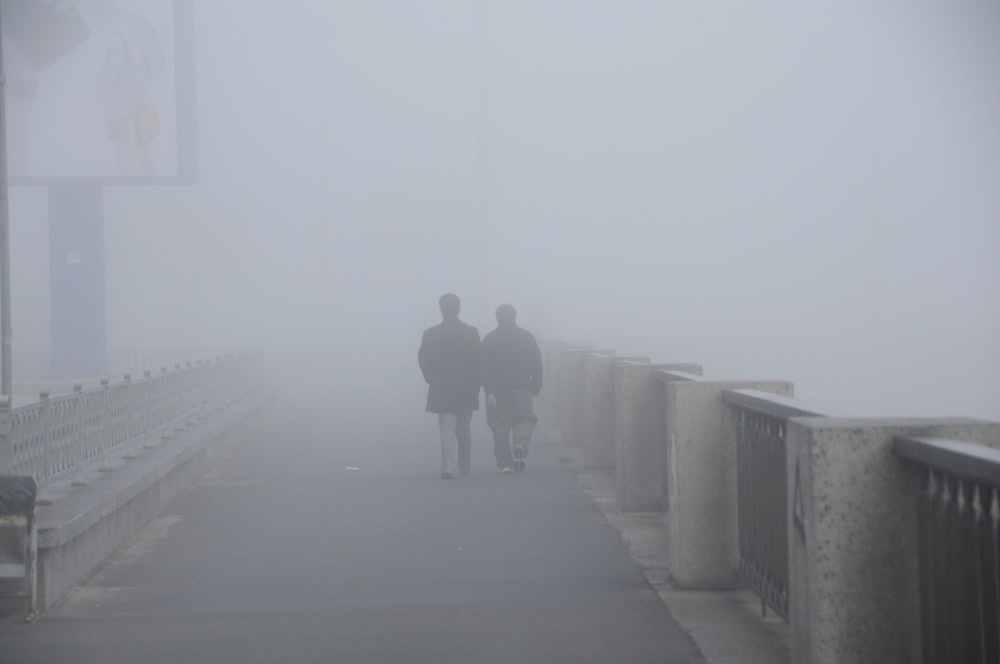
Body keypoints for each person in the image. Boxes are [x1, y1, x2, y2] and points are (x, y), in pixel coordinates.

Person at [418, 293, 483, 479]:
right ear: (459, 308)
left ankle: (447, 466)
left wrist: (429, 377)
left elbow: (423, 358)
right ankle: (465, 465)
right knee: (464, 426)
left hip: (441, 386)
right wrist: (480, 385)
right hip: (466, 387)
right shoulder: (471, 332)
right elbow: (479, 360)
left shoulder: (430, 333)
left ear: (441, 309)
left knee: (446, 425)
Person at [481, 304, 542, 473]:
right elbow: (537, 362)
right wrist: (536, 385)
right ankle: (521, 444)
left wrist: (488, 391)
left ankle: (505, 464)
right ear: (515, 317)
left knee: (499, 424)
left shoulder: (489, 339)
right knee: (525, 419)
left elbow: (483, 367)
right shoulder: (526, 337)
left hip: (497, 389)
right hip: (523, 387)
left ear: (497, 317)